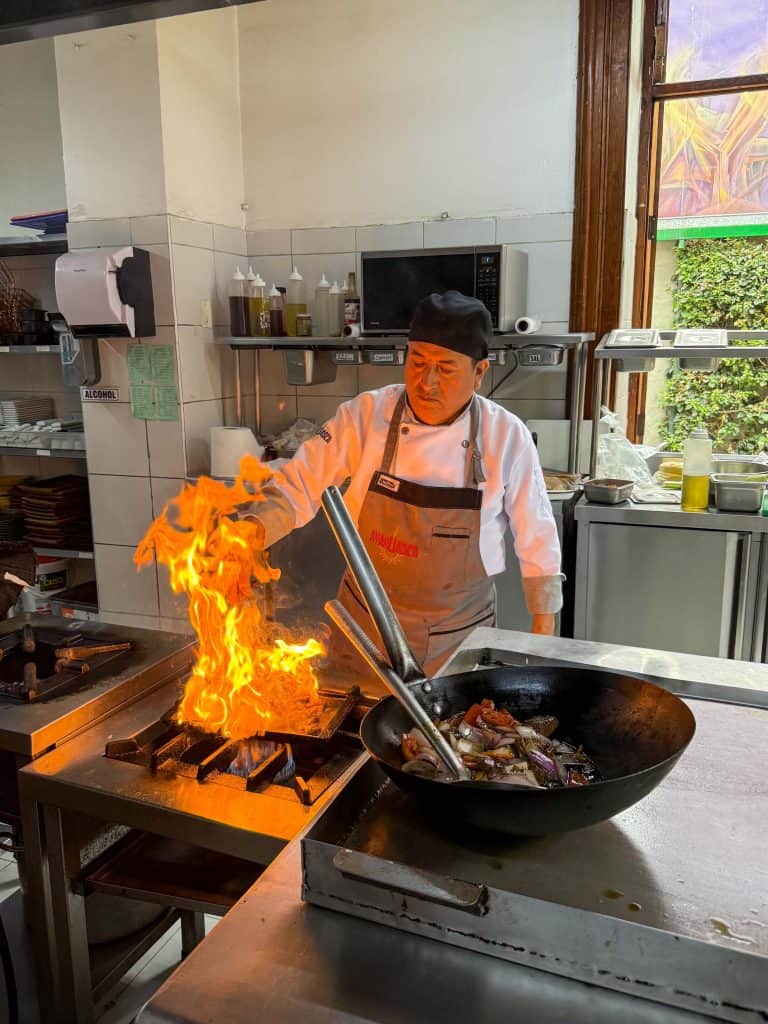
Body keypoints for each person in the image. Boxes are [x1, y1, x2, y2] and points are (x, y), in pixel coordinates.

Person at [241, 290, 563, 678]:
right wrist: (249, 534)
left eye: (445, 368)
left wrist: (543, 640)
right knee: (350, 730)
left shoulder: (505, 435)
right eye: (417, 361)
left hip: (458, 635)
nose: (426, 382)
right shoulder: (366, 414)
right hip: (366, 626)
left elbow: (537, 537)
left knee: (449, 736)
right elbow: (299, 484)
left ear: (479, 373)